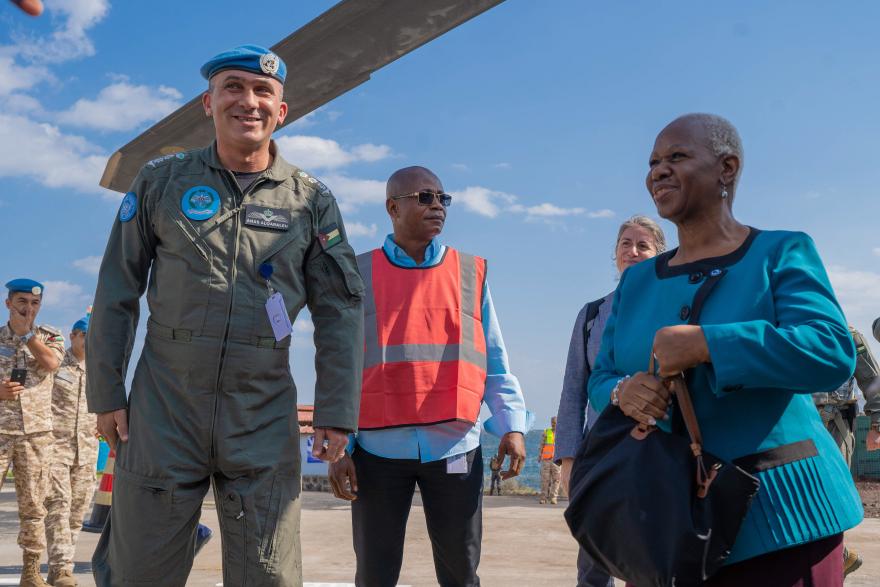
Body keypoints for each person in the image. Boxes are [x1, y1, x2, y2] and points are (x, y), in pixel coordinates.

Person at [86, 45, 364, 586]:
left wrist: (336, 412)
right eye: (233, 88)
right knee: (139, 569)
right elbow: (117, 289)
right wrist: (106, 393)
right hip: (165, 402)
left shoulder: (310, 200)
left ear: (282, 111)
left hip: (261, 408)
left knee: (269, 571)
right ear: (207, 104)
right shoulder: (161, 182)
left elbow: (340, 309)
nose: (249, 101)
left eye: (264, 92)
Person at [587, 113, 863, 586]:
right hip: (666, 523)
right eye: (653, 162)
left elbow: (831, 351)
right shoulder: (635, 283)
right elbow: (602, 376)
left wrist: (711, 344)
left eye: (676, 157)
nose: (658, 170)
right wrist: (622, 393)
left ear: (727, 168)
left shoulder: (781, 252)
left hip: (782, 522)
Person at [327, 165, 531, 587]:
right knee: (374, 574)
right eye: (424, 197)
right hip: (377, 449)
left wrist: (512, 426)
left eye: (442, 198)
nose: (437, 205)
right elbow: (338, 362)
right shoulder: (358, 273)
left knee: (461, 571)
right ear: (392, 207)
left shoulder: (469, 273)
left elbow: (494, 357)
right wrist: (337, 446)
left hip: (455, 444)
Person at [556, 215, 666, 586]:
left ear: (659, 254)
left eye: (643, 245)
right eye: (625, 244)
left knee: (654, 556)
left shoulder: (672, 309)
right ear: (615, 254)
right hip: (601, 451)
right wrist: (569, 457)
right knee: (593, 560)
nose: (632, 252)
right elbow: (574, 388)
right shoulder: (591, 315)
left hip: (659, 450)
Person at [0, 279, 65, 587]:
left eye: (34, 303)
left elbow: (51, 362)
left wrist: (28, 335)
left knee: (33, 506)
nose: (29, 308)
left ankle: (30, 572)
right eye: (22, 302)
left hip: (35, 435)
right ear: (8, 304)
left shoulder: (50, 336)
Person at [813, 325, 880, 576]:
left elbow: (872, 378)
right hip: (800, 425)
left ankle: (835, 559)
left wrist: (877, 425)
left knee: (831, 494)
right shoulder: (791, 327)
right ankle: (836, 558)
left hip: (835, 425)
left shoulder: (847, 334)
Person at [44, 315, 96, 587]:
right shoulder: (54, 364)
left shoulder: (102, 369)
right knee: (59, 508)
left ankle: (60, 567)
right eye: (85, 336)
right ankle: (62, 568)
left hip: (86, 452)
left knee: (76, 513)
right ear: (74, 335)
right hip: (56, 450)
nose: (89, 342)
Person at [538, 417, 561, 504]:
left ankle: (553, 498)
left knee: (556, 480)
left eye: (555, 423)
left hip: (557, 460)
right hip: (546, 460)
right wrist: (539, 455)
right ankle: (543, 498)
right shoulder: (546, 432)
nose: (553, 424)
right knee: (545, 479)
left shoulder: (561, 433)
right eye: (552, 423)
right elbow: (542, 444)